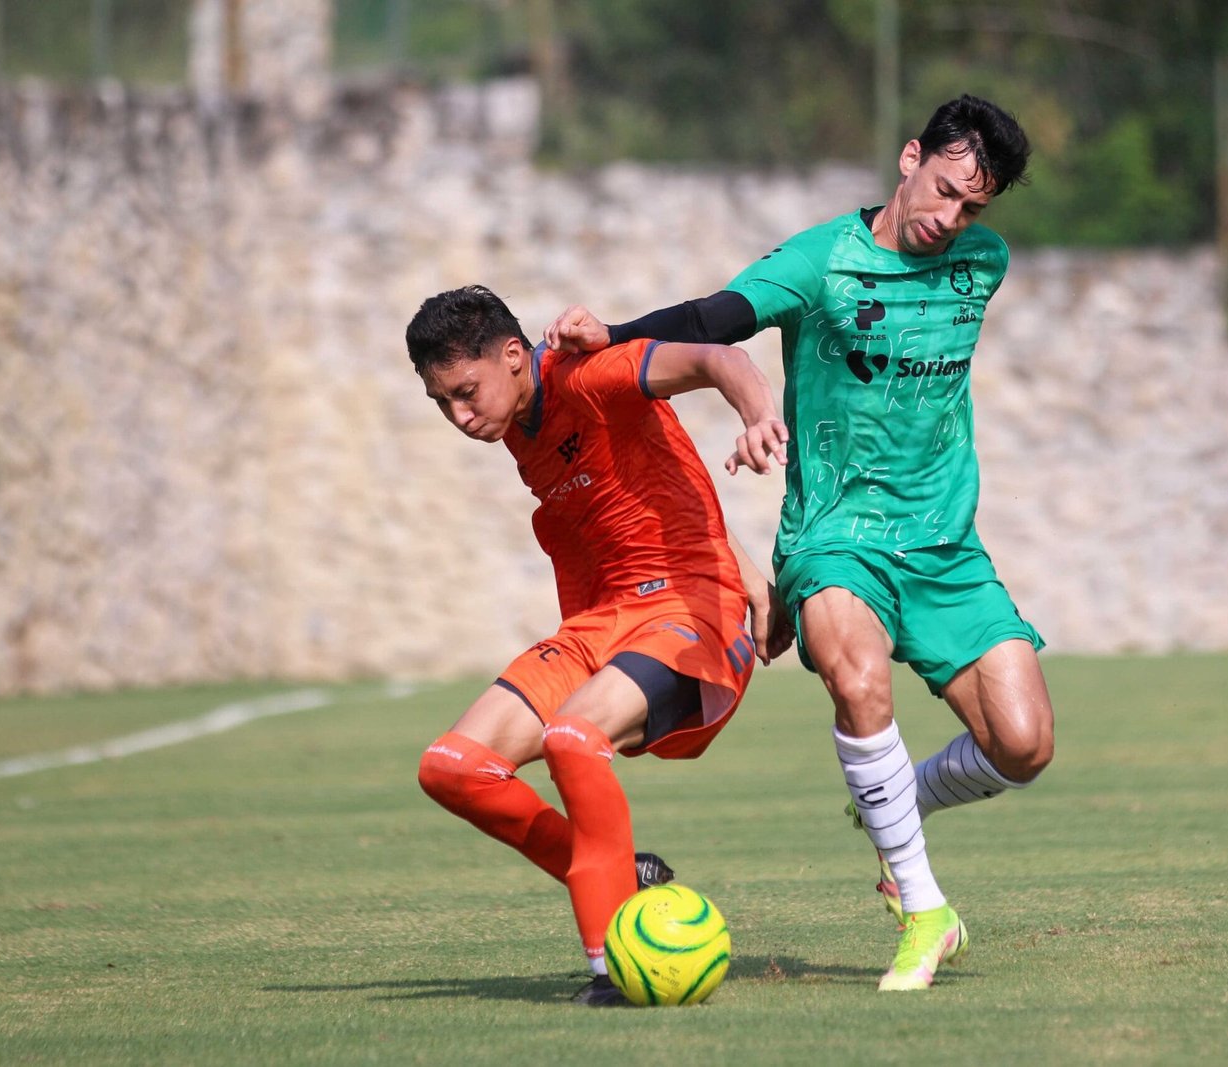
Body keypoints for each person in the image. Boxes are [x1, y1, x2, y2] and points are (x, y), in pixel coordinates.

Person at [544, 94, 1054, 992]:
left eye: (972, 207)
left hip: (944, 546)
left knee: (1024, 746)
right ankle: (926, 910)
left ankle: (895, 809)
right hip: (835, 538)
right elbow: (720, 316)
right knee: (855, 673)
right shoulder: (822, 261)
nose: (950, 219)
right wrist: (614, 335)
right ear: (909, 159)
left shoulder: (985, 262)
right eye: (942, 190)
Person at [406, 284, 792, 1006]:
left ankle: (611, 966)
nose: (459, 416)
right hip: (597, 627)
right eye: (441, 404)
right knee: (452, 767)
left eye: (465, 391)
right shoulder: (516, 423)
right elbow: (663, 479)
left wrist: (759, 415)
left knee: (572, 739)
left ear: (515, 356)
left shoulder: (592, 374)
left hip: (683, 610)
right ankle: (622, 873)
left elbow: (718, 357)